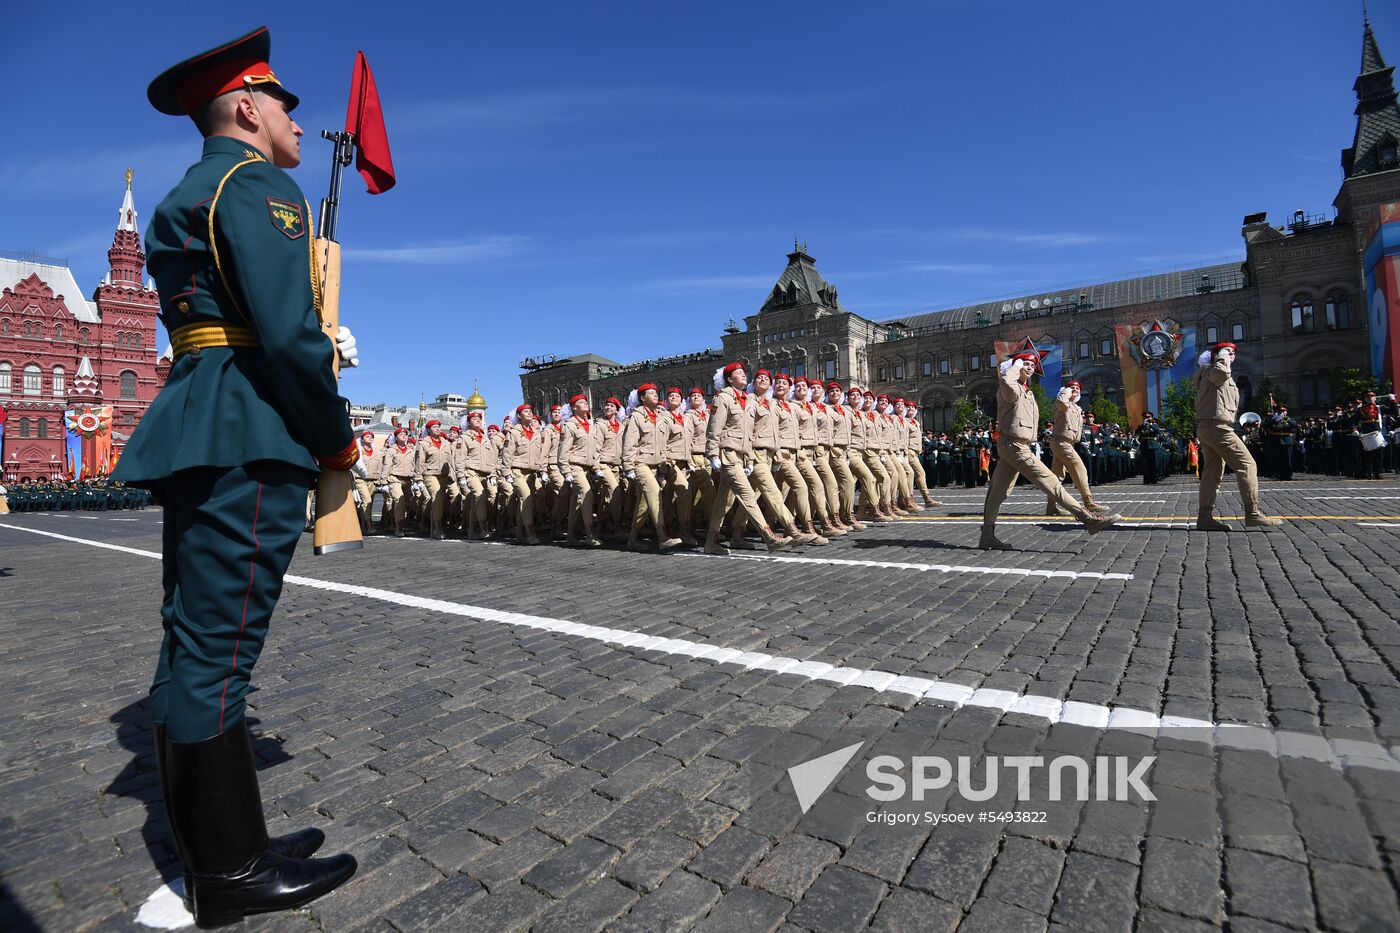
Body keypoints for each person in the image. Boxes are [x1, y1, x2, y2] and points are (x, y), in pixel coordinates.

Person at [109, 27, 358, 926]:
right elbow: (287, 334)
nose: (297, 119)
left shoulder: (194, 189)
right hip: (246, 428)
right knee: (220, 655)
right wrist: (335, 438)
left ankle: (230, 841)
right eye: (285, 103)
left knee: (195, 639)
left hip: (203, 415)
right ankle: (231, 873)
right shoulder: (256, 186)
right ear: (249, 107)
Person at [979, 350, 1121, 550]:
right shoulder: (1009, 387)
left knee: (997, 492)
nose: (1028, 368)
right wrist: (1014, 367)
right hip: (1014, 445)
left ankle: (987, 535)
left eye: (1031, 366)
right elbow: (1008, 385)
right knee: (1051, 481)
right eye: (1025, 364)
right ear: (1015, 366)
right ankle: (1088, 518)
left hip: (1016, 445)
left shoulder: (1026, 391)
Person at [1194, 342, 1282, 530]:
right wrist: (1221, 356)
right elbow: (1220, 374)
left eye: (1233, 353)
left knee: (1212, 471)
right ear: (1216, 355)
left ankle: (1204, 517)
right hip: (1216, 426)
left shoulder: (1212, 371)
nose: (1231, 355)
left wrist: (1221, 358)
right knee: (1247, 464)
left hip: (1209, 425)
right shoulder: (1214, 369)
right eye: (1228, 352)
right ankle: (1252, 513)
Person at [1046, 380, 1109, 516]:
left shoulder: (1078, 409)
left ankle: (1051, 506)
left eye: (1077, 388)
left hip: (1069, 443)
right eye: (1072, 387)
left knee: (1056, 477)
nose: (1075, 389)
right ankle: (1088, 501)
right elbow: (1062, 402)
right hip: (1061, 441)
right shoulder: (1061, 403)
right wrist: (1065, 391)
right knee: (1080, 468)